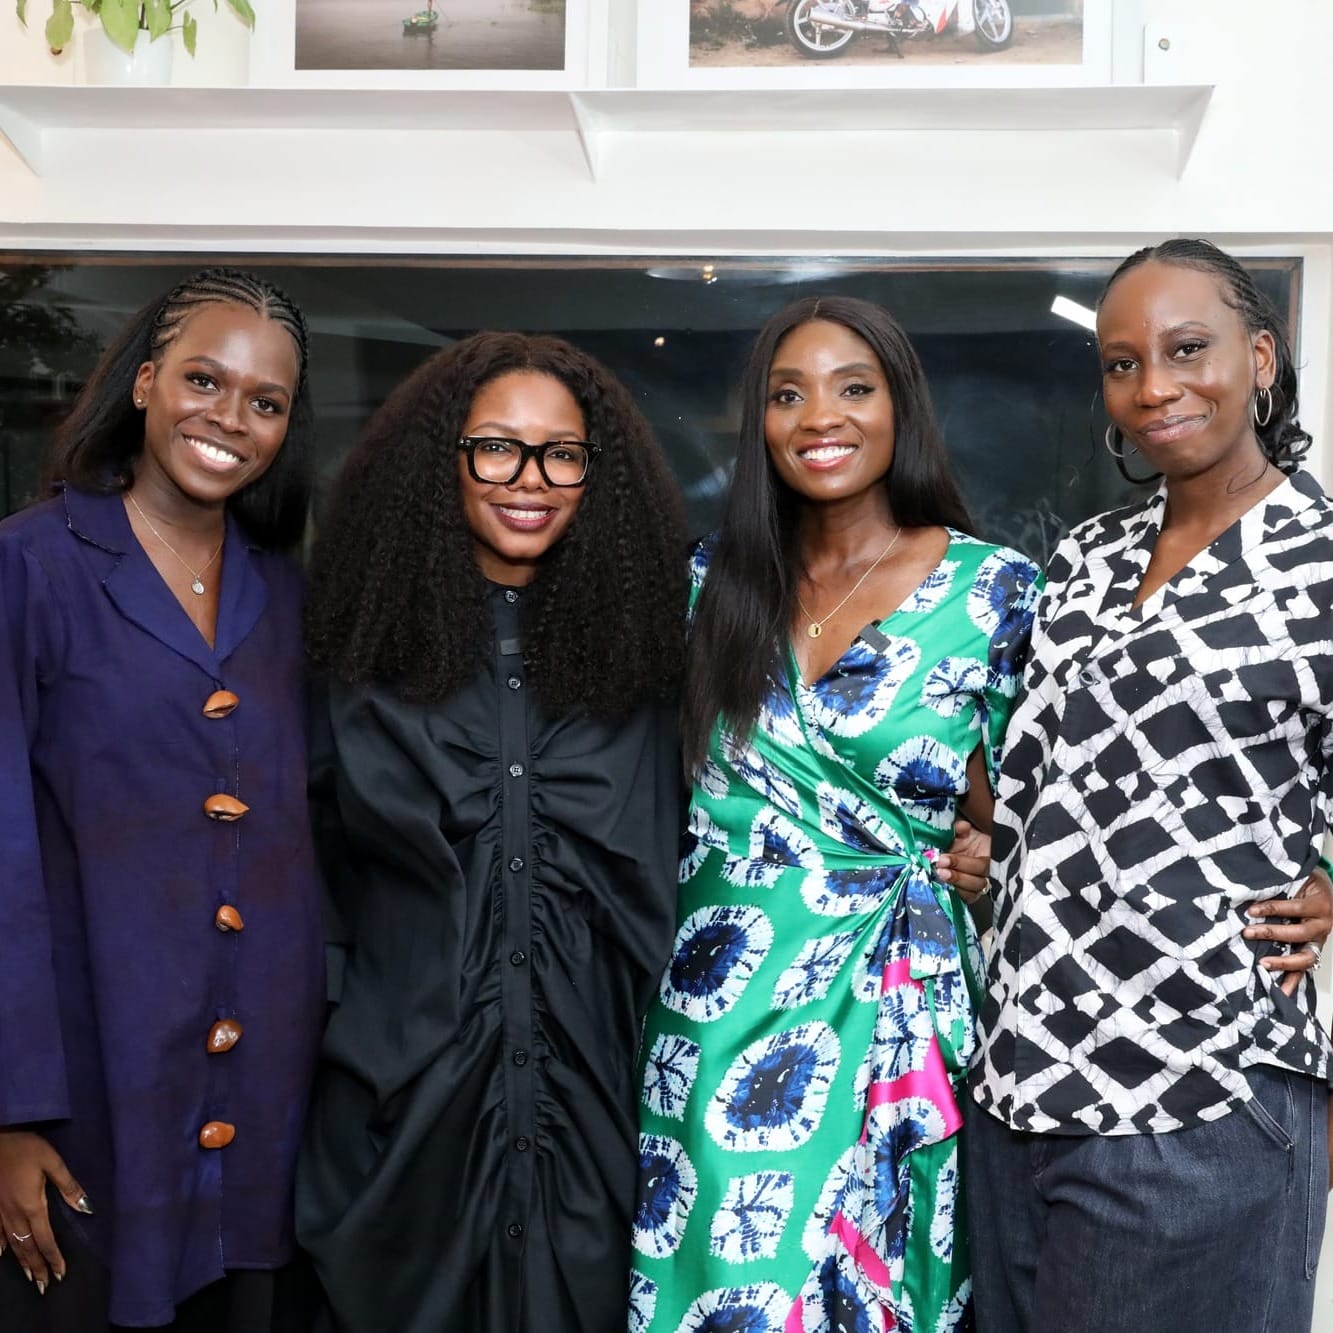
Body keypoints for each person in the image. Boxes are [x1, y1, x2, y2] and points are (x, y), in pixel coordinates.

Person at [631, 295, 1041, 1333]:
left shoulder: (993, 591)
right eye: (788, 393)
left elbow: (1035, 822)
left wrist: (984, 857)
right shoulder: (705, 585)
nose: (821, 416)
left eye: (853, 387)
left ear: (901, 407)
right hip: (715, 1013)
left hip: (900, 1011)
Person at [968, 238, 1333, 1332]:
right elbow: (1039, 779)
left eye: (1186, 349)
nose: (1152, 387)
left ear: (1259, 358)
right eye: (1121, 363)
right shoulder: (1084, 557)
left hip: (1199, 1082)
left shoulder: (1322, 559)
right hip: (1020, 1070)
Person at [296, 332, 688, 1332]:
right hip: (399, 1126)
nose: (531, 479)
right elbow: (308, 885)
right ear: (442, 462)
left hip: (602, 1124)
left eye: (562, 453)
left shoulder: (654, 666)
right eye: (497, 447)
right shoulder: (352, 661)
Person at [0, 268, 324, 1332]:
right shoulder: (28, 568)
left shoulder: (289, 597)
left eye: (265, 401)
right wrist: (9, 1115)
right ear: (144, 382)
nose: (230, 417)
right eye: (203, 379)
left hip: (262, 1101)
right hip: (90, 1089)